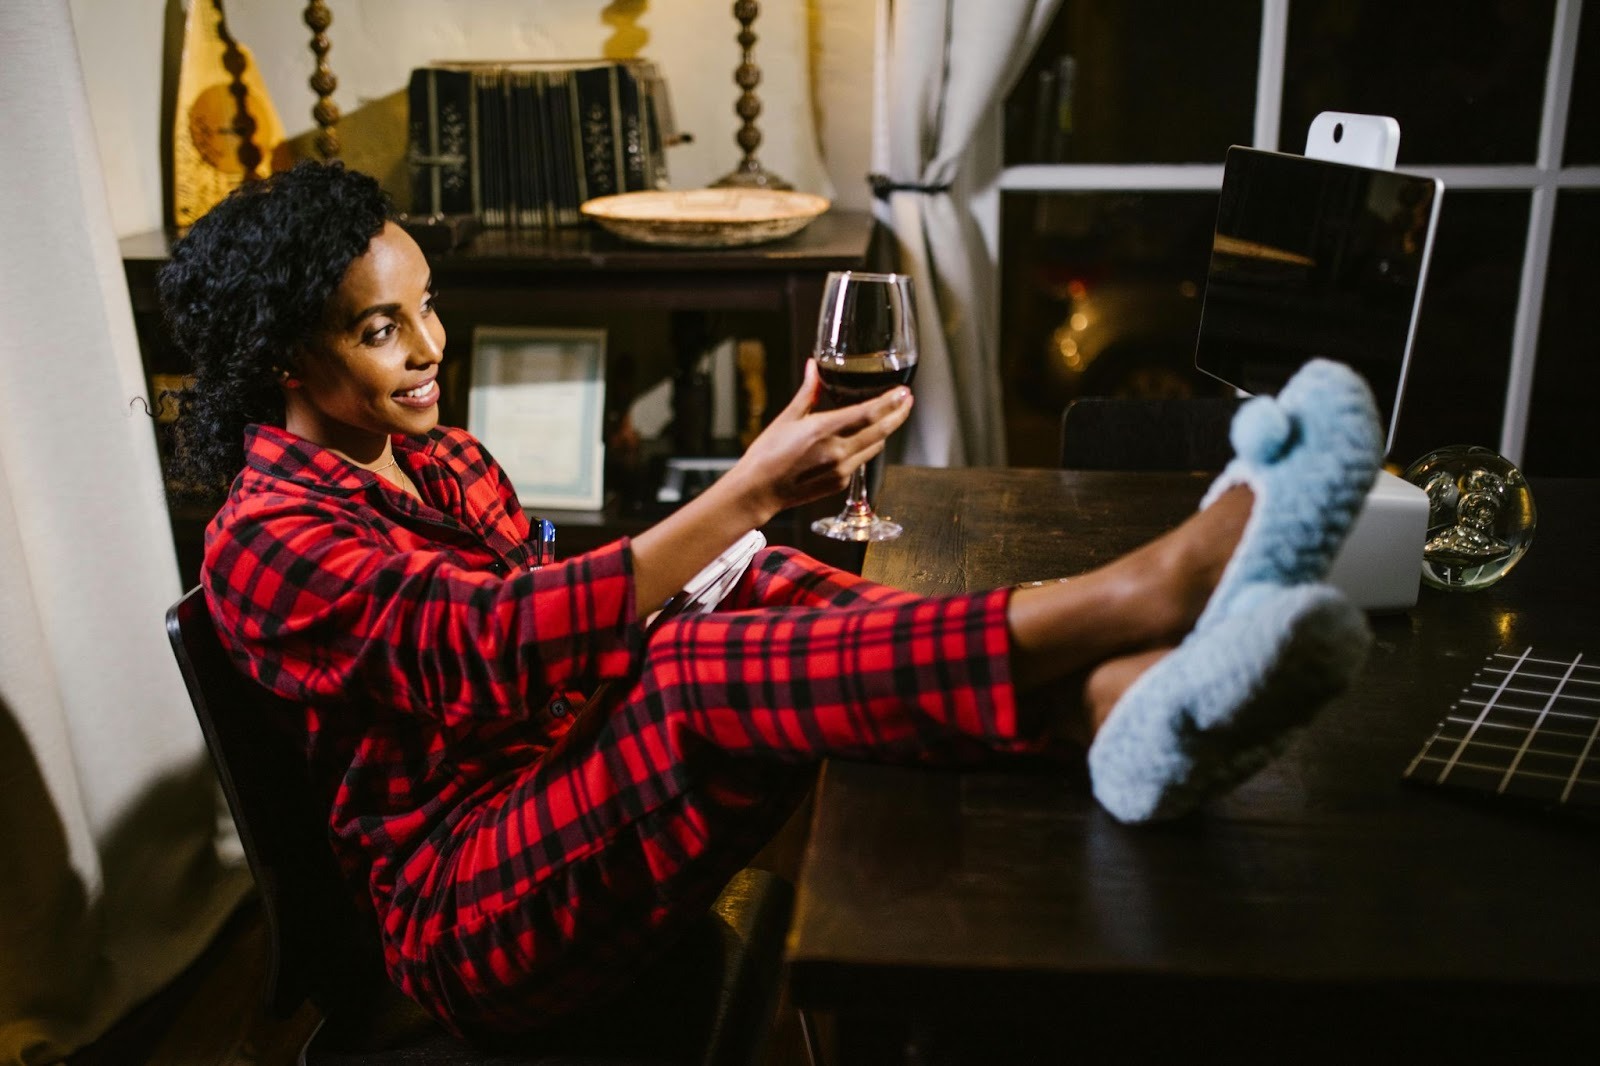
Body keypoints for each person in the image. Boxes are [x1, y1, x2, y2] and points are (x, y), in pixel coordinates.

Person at [159, 162, 1382, 1040]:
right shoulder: (264, 537)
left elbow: (583, 621)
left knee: (763, 583)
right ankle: (1141, 592)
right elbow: (487, 645)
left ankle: (1119, 709)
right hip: (465, 911)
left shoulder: (442, 459)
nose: (430, 344)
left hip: (555, 788)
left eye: (427, 302)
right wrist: (741, 494)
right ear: (285, 356)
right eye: (382, 328)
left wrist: (738, 543)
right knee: (701, 664)